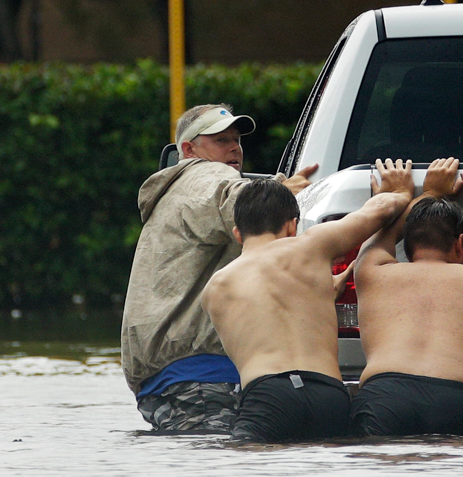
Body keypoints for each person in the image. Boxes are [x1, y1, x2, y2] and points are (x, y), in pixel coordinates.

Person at [122, 104, 317, 432]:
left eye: (236, 140)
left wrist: (278, 187)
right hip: (202, 378)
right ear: (188, 149)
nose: (233, 148)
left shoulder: (177, 191)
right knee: (225, 476)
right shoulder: (204, 173)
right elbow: (233, 200)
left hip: (165, 382)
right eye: (220, 140)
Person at [200, 159, 414, 441]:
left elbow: (270, 309)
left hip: (268, 396)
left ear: (238, 234)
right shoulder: (312, 245)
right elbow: (383, 209)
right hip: (327, 394)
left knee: (249, 475)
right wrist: (399, 191)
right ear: (292, 225)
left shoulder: (215, 288)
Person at [349, 157, 463, 437]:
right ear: (460, 244)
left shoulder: (371, 270)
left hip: (384, 398)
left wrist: (428, 193)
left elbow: (381, 233)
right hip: (456, 400)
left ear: (407, 247)